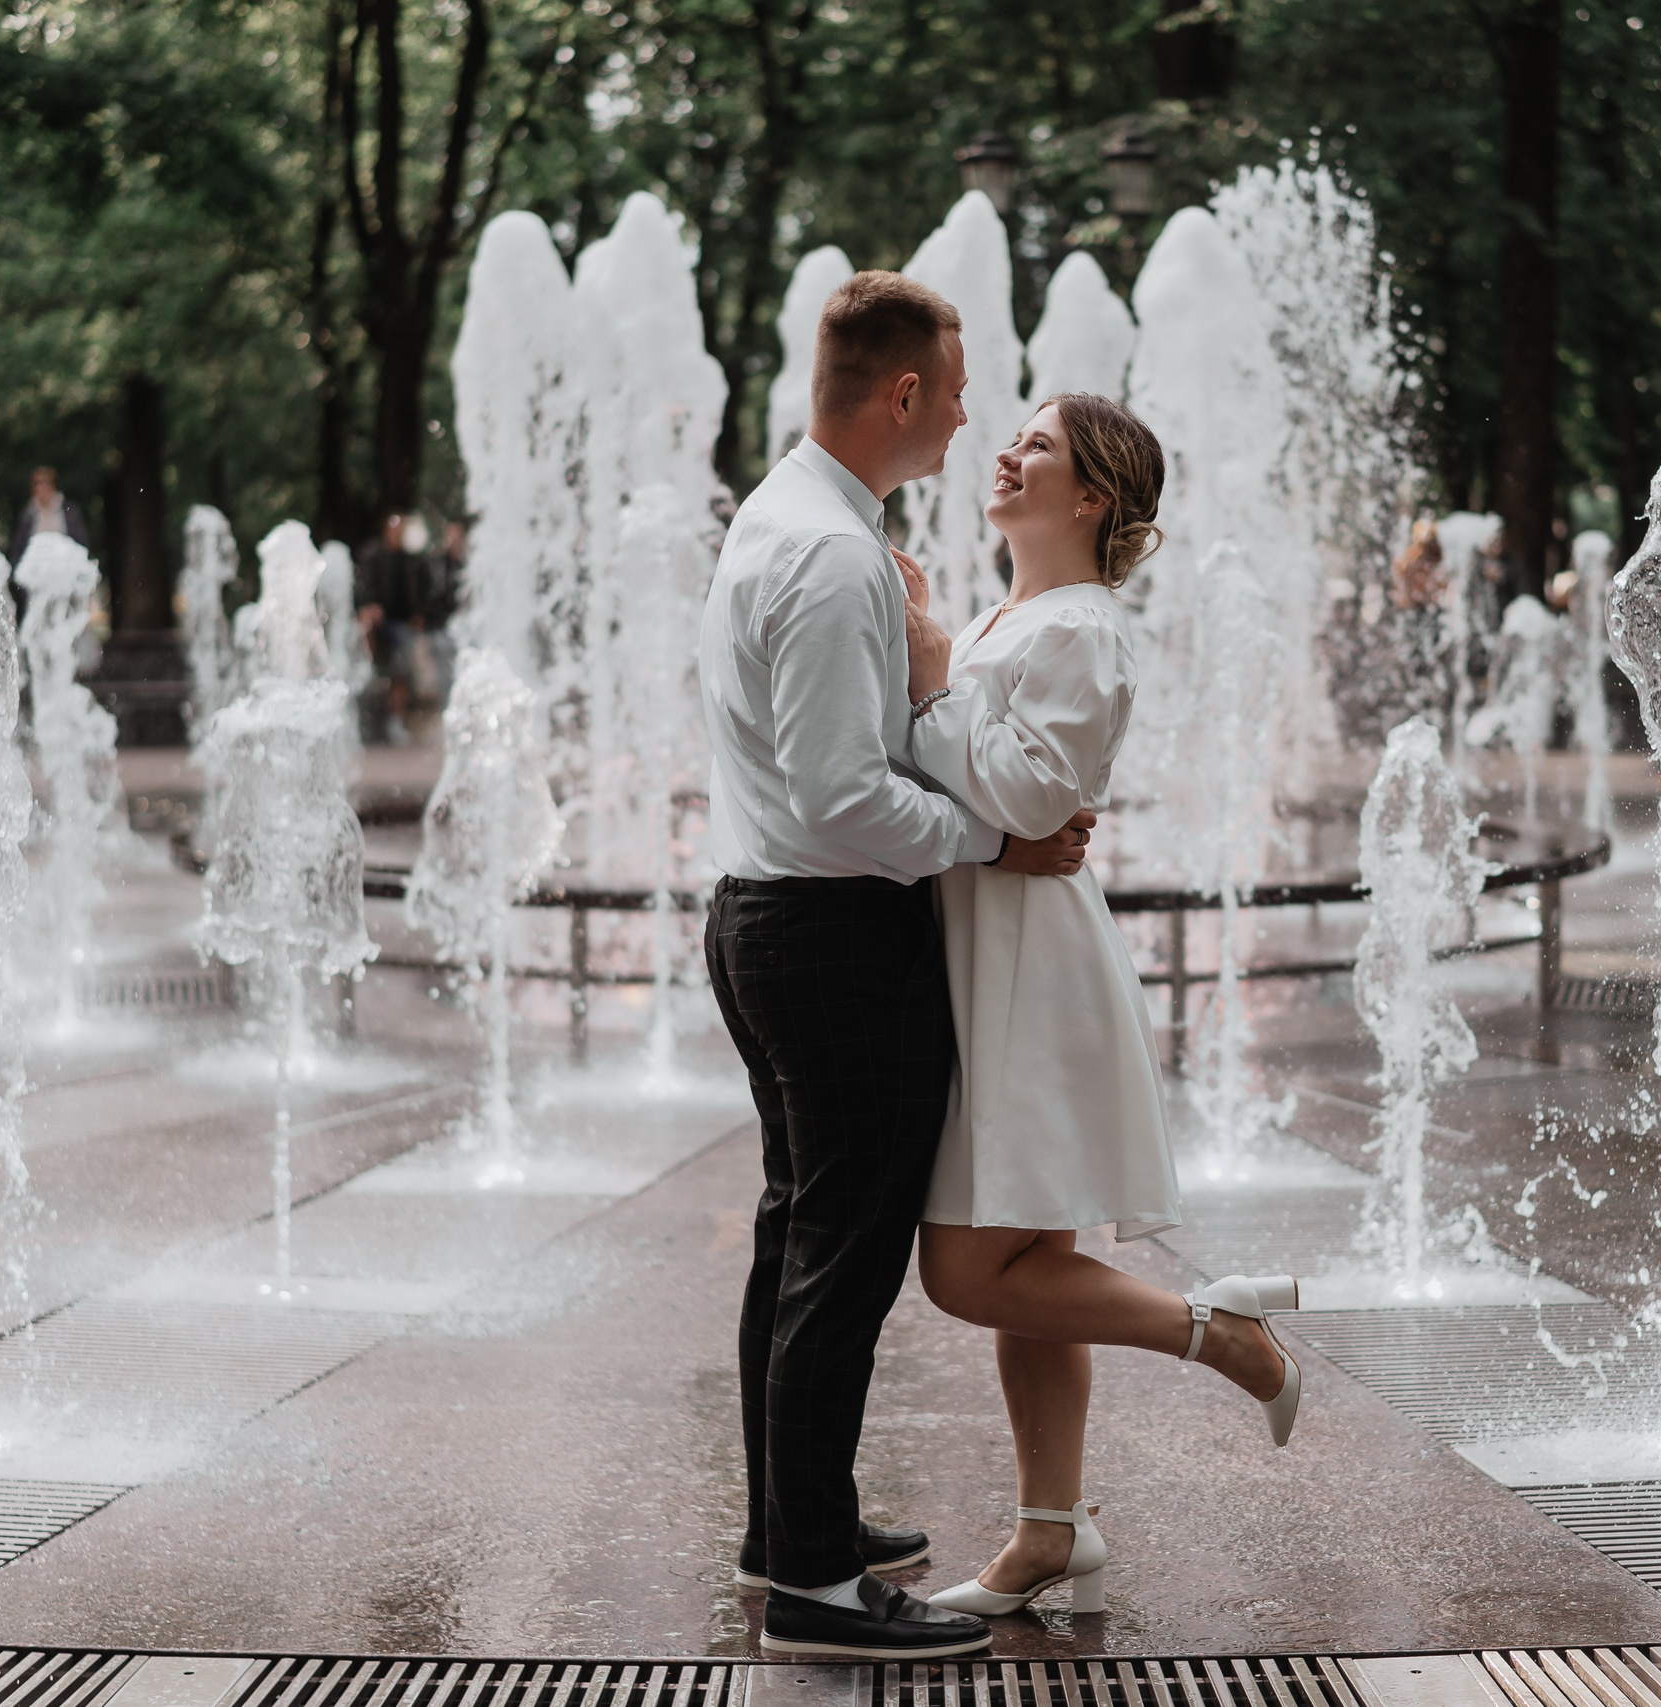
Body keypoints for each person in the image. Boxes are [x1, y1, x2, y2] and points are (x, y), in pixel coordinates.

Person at [698, 270, 1096, 1662]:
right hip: (823, 928)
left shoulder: (803, 517)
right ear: (905, 392)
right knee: (839, 1258)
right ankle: (811, 1578)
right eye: (959, 383)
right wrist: (993, 835)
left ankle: (786, 1519)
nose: (972, 412)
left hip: (778, 915)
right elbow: (833, 796)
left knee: (797, 1232)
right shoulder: (825, 551)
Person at [898, 395, 1302, 1621]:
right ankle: (1049, 1531)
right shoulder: (1012, 616)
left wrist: (929, 677)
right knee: (1032, 1254)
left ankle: (1215, 1331)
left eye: (1039, 446)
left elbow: (1025, 798)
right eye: (1012, 435)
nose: (1007, 452)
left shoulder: (1081, 629)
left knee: (968, 1273)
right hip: (985, 943)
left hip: (1024, 963)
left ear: (1089, 500)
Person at [357, 514, 420, 737]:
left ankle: (395, 722)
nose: (397, 533)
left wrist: (416, 614)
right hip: (378, 624)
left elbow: (415, 591)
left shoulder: (408, 560)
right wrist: (370, 607)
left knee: (400, 672)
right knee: (371, 671)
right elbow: (364, 586)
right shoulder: (374, 555)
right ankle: (368, 723)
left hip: (401, 624)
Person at [5, 467, 87, 565]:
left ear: (53, 486)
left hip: (65, 567)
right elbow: (18, 547)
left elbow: (81, 543)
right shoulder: (27, 515)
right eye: (37, 484)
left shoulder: (70, 512)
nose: (41, 488)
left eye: (45, 483)